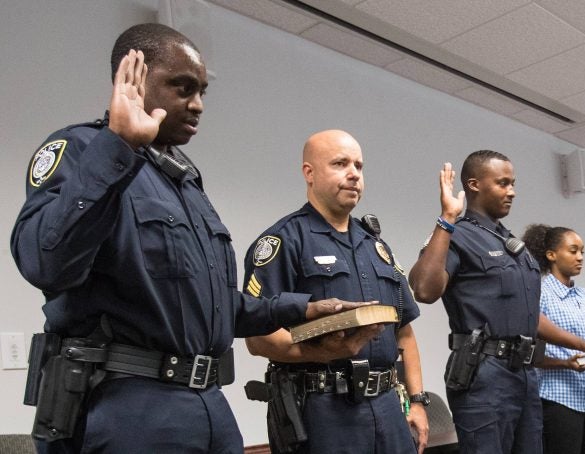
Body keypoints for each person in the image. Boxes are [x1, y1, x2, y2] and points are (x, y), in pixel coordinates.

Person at [11, 24, 352, 453]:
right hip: (127, 407)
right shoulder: (80, 150)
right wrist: (117, 146)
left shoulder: (184, 181)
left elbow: (211, 305)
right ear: (130, 78)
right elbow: (45, 262)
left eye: (203, 91)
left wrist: (302, 308)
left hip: (207, 401)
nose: (197, 104)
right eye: (182, 87)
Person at [408, 151, 585, 453]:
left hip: (524, 374)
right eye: (503, 183)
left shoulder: (511, 244)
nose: (512, 191)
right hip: (483, 375)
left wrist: (583, 346)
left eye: (513, 183)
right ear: (474, 184)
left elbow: (528, 317)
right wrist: (447, 219)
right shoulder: (457, 235)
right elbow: (425, 290)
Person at [242, 130, 428, 453]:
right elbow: (259, 339)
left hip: (387, 406)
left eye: (359, 165)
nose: (354, 173)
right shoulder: (284, 242)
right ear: (309, 173)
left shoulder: (377, 247)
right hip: (324, 409)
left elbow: (405, 332)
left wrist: (418, 401)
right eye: (340, 163)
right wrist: (324, 353)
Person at [522, 224, 585, 454]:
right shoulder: (539, 294)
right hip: (558, 399)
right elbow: (529, 355)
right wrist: (565, 363)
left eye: (582, 251)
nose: (580, 257)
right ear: (551, 255)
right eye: (573, 251)